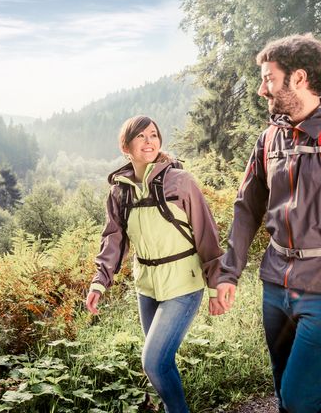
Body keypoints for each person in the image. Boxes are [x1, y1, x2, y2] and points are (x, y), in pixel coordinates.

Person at [216, 33, 321, 413]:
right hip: (274, 283)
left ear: (298, 78)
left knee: (302, 400)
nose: (260, 89)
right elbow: (248, 207)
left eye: (268, 78)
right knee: (285, 393)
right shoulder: (269, 138)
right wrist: (228, 273)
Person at [86, 115, 223, 413]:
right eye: (141, 137)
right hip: (146, 286)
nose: (149, 142)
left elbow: (207, 234)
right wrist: (100, 280)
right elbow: (114, 239)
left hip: (183, 283)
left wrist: (215, 287)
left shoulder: (180, 182)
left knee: (153, 362)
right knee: (160, 363)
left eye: (153, 135)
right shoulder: (120, 191)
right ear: (126, 146)